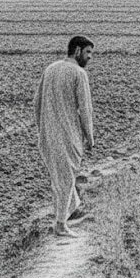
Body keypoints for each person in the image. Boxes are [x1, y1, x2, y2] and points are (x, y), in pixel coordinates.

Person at [33, 36, 96, 237]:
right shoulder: (79, 73)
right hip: (68, 135)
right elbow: (85, 110)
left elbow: (37, 102)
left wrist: (42, 127)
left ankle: (68, 212)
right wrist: (90, 137)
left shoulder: (50, 69)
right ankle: (60, 224)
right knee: (66, 179)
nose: (89, 57)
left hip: (47, 135)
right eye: (88, 53)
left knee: (59, 178)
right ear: (77, 51)